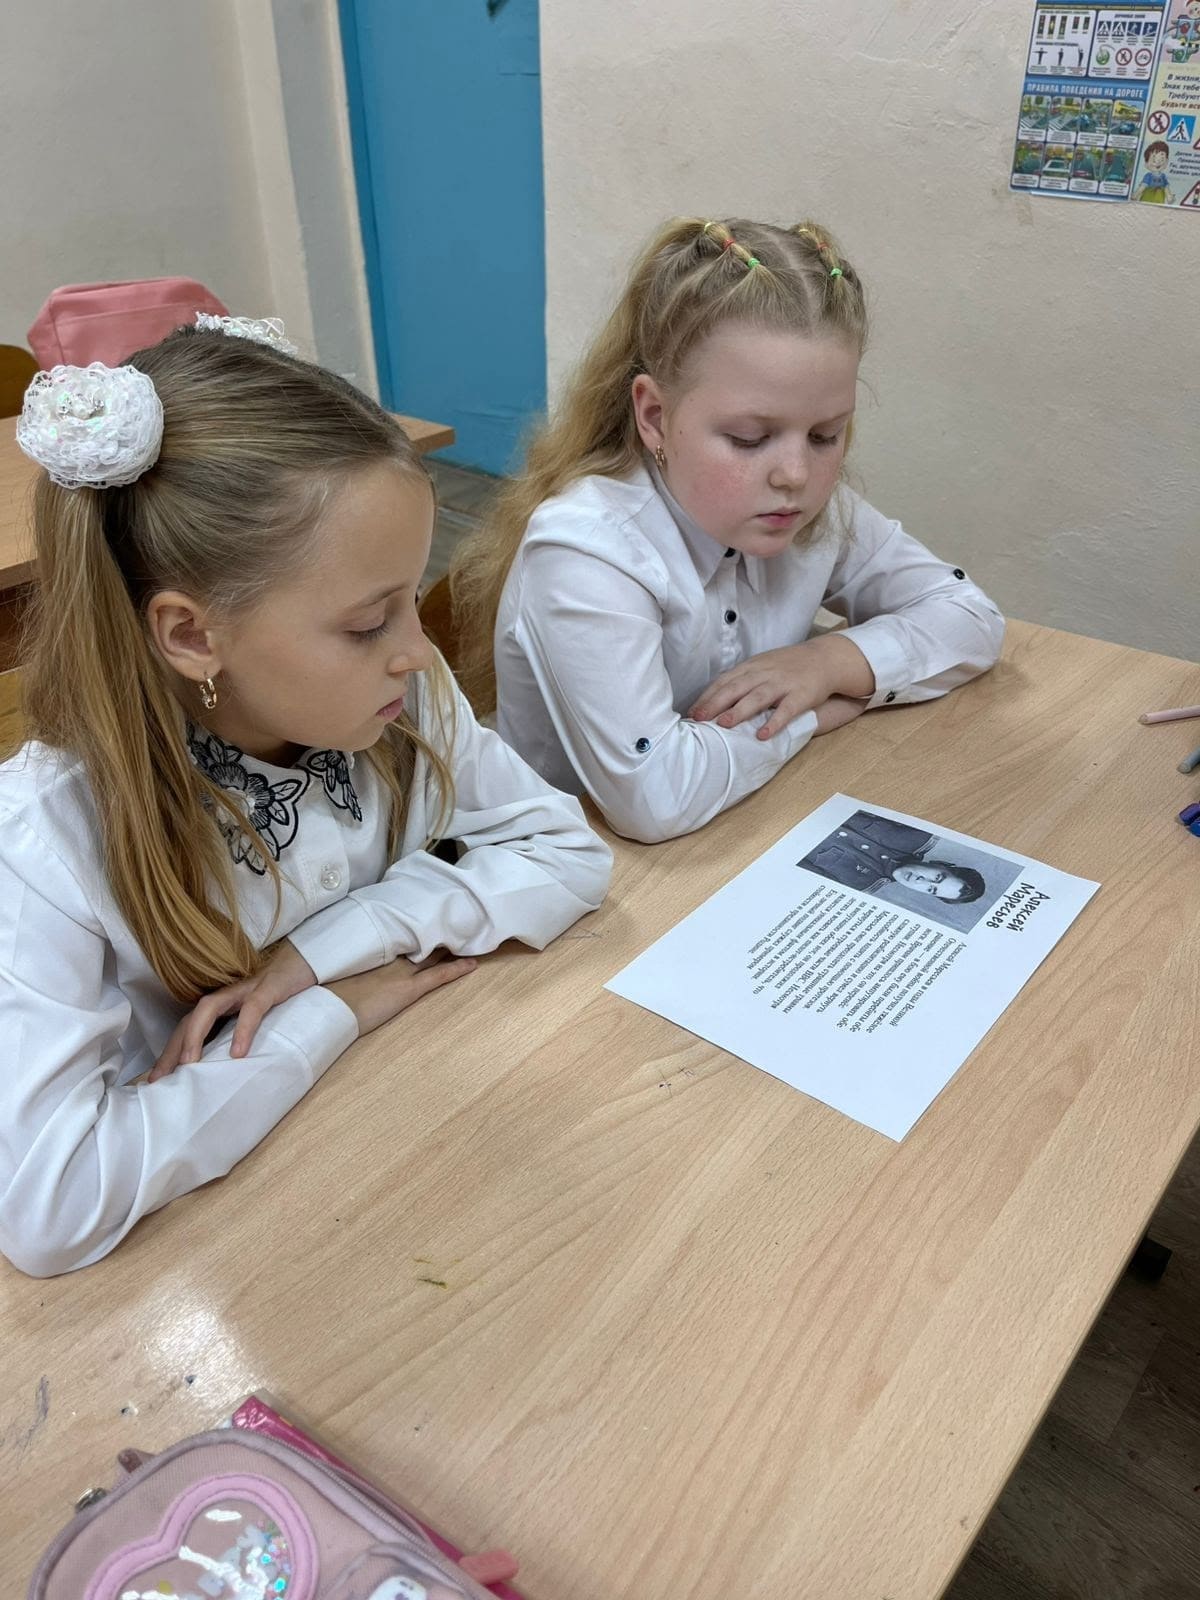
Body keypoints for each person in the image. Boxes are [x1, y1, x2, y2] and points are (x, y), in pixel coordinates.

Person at [0, 320, 612, 1277]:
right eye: (369, 623)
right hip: (233, 1256)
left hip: (411, 1162)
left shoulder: (399, 699)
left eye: (411, 598)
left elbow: (569, 854)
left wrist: (326, 951)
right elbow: (54, 1202)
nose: (418, 650)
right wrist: (330, 1013)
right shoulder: (46, 841)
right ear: (191, 636)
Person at [451, 216, 1004, 844]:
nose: (796, 474)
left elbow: (972, 616)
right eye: (749, 438)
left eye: (826, 435)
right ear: (654, 417)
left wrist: (830, 661)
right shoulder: (586, 552)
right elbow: (656, 798)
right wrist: (815, 712)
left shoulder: (811, 510)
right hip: (577, 861)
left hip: (741, 826)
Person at [799, 810, 985, 902]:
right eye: (937, 877)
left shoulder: (859, 886)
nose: (920, 881)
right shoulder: (920, 835)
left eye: (931, 889)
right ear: (940, 863)